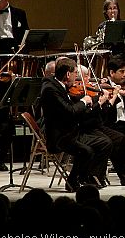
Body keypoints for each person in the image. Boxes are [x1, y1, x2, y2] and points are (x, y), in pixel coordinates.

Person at [39, 57, 113, 192]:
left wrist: (96, 100)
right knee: (86, 151)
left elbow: (73, 104)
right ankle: (73, 181)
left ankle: (89, 177)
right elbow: (70, 111)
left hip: (70, 131)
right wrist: (84, 101)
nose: (76, 77)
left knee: (104, 142)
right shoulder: (50, 89)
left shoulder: (58, 86)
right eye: (75, 74)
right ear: (68, 74)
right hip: (60, 137)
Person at [75, 65, 125, 186]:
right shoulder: (77, 94)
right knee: (108, 141)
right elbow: (86, 114)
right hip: (85, 128)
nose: (90, 79)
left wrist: (104, 100)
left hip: (96, 125)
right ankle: (96, 177)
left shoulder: (92, 90)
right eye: (86, 76)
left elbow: (104, 111)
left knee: (120, 139)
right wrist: (101, 101)